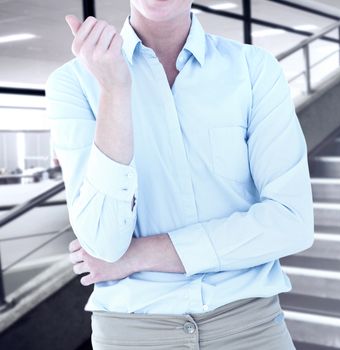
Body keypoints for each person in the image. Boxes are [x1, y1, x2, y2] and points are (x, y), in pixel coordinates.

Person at [45, 0, 313, 348]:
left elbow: (291, 222)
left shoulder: (253, 69)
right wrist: (114, 90)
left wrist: (137, 257)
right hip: (133, 334)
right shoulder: (74, 83)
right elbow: (103, 243)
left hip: (250, 328)